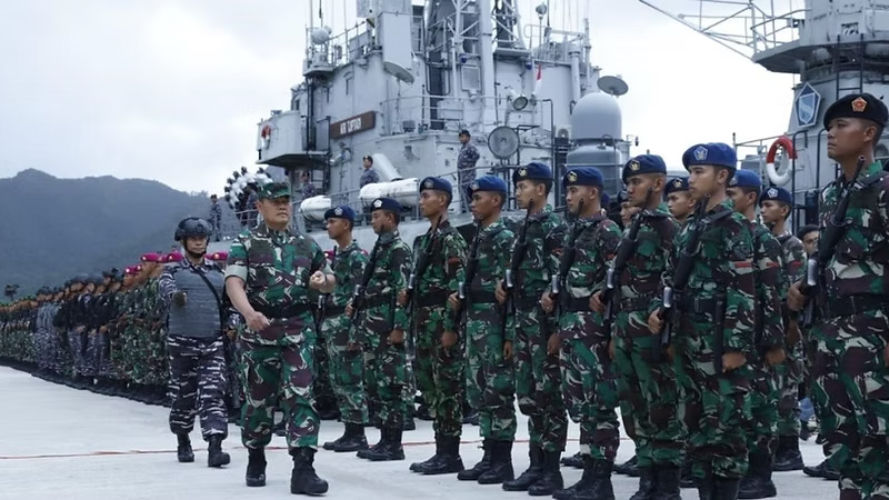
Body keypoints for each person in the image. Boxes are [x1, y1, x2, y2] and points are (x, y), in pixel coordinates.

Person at [787, 93, 889, 499]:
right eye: (829, 126)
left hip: (874, 331)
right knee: (841, 434)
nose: (830, 133)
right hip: (831, 332)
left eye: (841, 126)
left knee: (880, 432)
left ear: (869, 133)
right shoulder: (833, 195)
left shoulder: (884, 188)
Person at [648, 142, 756, 498]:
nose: (691, 179)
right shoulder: (692, 225)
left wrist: (736, 347)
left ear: (722, 176)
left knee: (725, 427)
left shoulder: (734, 226)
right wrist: (659, 311)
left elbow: (743, 289)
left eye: (699, 172)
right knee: (695, 425)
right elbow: (670, 276)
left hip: (718, 342)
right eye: (691, 172)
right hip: (687, 339)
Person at [224, 181, 336, 495]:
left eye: (286, 200)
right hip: (259, 333)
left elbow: (329, 279)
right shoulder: (245, 242)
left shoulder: (306, 244)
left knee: (301, 395)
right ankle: (256, 455)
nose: (283, 206)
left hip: (299, 330)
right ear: (259, 206)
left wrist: (322, 281)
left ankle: (303, 469)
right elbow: (234, 282)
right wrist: (248, 313)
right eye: (275, 202)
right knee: (258, 402)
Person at [596, 155, 683, 499]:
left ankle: (667, 484)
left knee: (662, 406)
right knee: (635, 407)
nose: (630, 189)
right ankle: (648, 477)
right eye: (628, 182)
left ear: (658, 184)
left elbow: (674, 283)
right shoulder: (633, 226)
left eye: (637, 182)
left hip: (651, 332)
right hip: (626, 330)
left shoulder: (667, 228)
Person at [540, 166, 621, 500]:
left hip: (594, 332)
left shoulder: (607, 231)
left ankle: (602, 480)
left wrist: (613, 334)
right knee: (582, 406)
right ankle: (590, 474)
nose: (569, 197)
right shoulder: (574, 232)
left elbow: (617, 285)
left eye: (574, 191)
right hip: (572, 328)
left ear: (591, 192)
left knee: (599, 405)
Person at [496, 162, 568, 495]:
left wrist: (557, 331)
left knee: (549, 397)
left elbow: (561, 280)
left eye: (523, 187)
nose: (518, 192)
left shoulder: (554, 227)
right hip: (523, 322)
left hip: (544, 326)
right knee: (529, 396)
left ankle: (551, 469)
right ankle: (536, 464)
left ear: (540, 189)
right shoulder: (524, 226)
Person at [726, 170, 788, 498]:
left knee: (762, 406)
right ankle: (743, 469)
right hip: (734, 336)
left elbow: (773, 296)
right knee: (738, 408)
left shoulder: (762, 240)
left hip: (759, 338)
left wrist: (774, 342)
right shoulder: (727, 235)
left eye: (732, 193)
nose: (727, 199)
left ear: (750, 198)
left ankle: (762, 476)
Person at [453, 175, 517, 485]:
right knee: (479, 392)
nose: (473, 204)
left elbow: (511, 290)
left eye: (479, 198)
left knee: (498, 392)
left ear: (496, 200)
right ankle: (489, 455)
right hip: (476, 323)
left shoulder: (505, 237)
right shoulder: (478, 236)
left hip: (494, 324)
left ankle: (502, 461)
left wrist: (508, 335)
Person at [404, 177, 468, 475]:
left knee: (447, 388)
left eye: (426, 195)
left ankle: (450, 452)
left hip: (440, 324)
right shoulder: (424, 240)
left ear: (442, 200)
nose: (421, 201)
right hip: (423, 323)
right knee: (430, 387)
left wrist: (450, 328)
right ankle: (440, 448)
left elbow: (457, 288)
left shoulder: (450, 239)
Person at [159, 217, 231, 467]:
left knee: (213, 394)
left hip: (212, 343)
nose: (199, 242)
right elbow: (165, 289)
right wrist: (174, 296)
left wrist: (232, 324)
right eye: (194, 238)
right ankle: (183, 439)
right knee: (183, 396)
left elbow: (229, 305)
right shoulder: (173, 272)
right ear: (184, 241)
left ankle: (215, 446)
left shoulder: (218, 273)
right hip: (181, 345)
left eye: (202, 238)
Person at [349, 197, 413, 461]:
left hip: (388, 330)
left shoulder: (398, 249)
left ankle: (394, 444)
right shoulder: (379, 248)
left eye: (377, 216)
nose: (373, 221)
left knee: (392, 386)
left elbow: (402, 292)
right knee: (378, 386)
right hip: (373, 329)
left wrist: (399, 327)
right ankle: (384, 439)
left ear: (390, 218)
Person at [759, 185, 808, 472]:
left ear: (784, 210)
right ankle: (777, 443)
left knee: (788, 386)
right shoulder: (764, 241)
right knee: (773, 385)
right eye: (762, 205)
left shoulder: (793, 246)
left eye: (770, 205)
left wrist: (792, 324)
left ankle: (790, 448)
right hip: (770, 323)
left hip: (787, 323)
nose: (764, 209)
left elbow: (796, 288)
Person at [319, 206, 371, 452]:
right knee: (338, 380)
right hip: (333, 324)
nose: (328, 226)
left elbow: (360, 297)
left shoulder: (356, 257)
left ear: (346, 224)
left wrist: (355, 332)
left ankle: (357, 433)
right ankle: (349, 430)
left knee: (350, 380)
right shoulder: (337, 256)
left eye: (332, 221)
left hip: (345, 324)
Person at [457, 129, 481, 212]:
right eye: (460, 137)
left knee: (469, 193)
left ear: (468, 137)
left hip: (469, 176)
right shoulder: (463, 148)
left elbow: (477, 155)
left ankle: (470, 211)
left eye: (463, 137)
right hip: (462, 176)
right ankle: (464, 210)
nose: (461, 139)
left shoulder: (470, 146)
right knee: (463, 194)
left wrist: (469, 164)